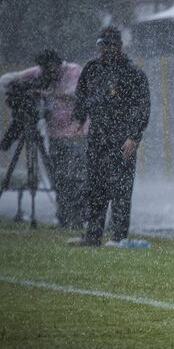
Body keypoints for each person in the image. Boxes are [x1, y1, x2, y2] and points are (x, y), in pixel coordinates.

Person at [68, 26, 150, 246]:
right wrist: (78, 118)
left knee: (121, 189)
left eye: (110, 45)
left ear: (119, 47)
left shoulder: (132, 73)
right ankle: (93, 235)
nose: (106, 49)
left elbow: (142, 107)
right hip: (97, 136)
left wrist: (134, 136)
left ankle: (119, 237)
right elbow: (82, 96)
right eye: (102, 45)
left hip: (122, 138)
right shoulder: (92, 69)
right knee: (95, 187)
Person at [0, 50, 88, 227]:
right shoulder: (40, 72)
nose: (49, 74)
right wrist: (24, 87)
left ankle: (79, 217)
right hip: (55, 134)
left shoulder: (73, 71)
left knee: (77, 177)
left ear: (58, 64)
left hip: (76, 133)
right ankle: (64, 216)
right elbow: (5, 80)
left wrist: (46, 93)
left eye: (51, 70)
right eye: (45, 70)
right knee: (59, 177)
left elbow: (75, 94)